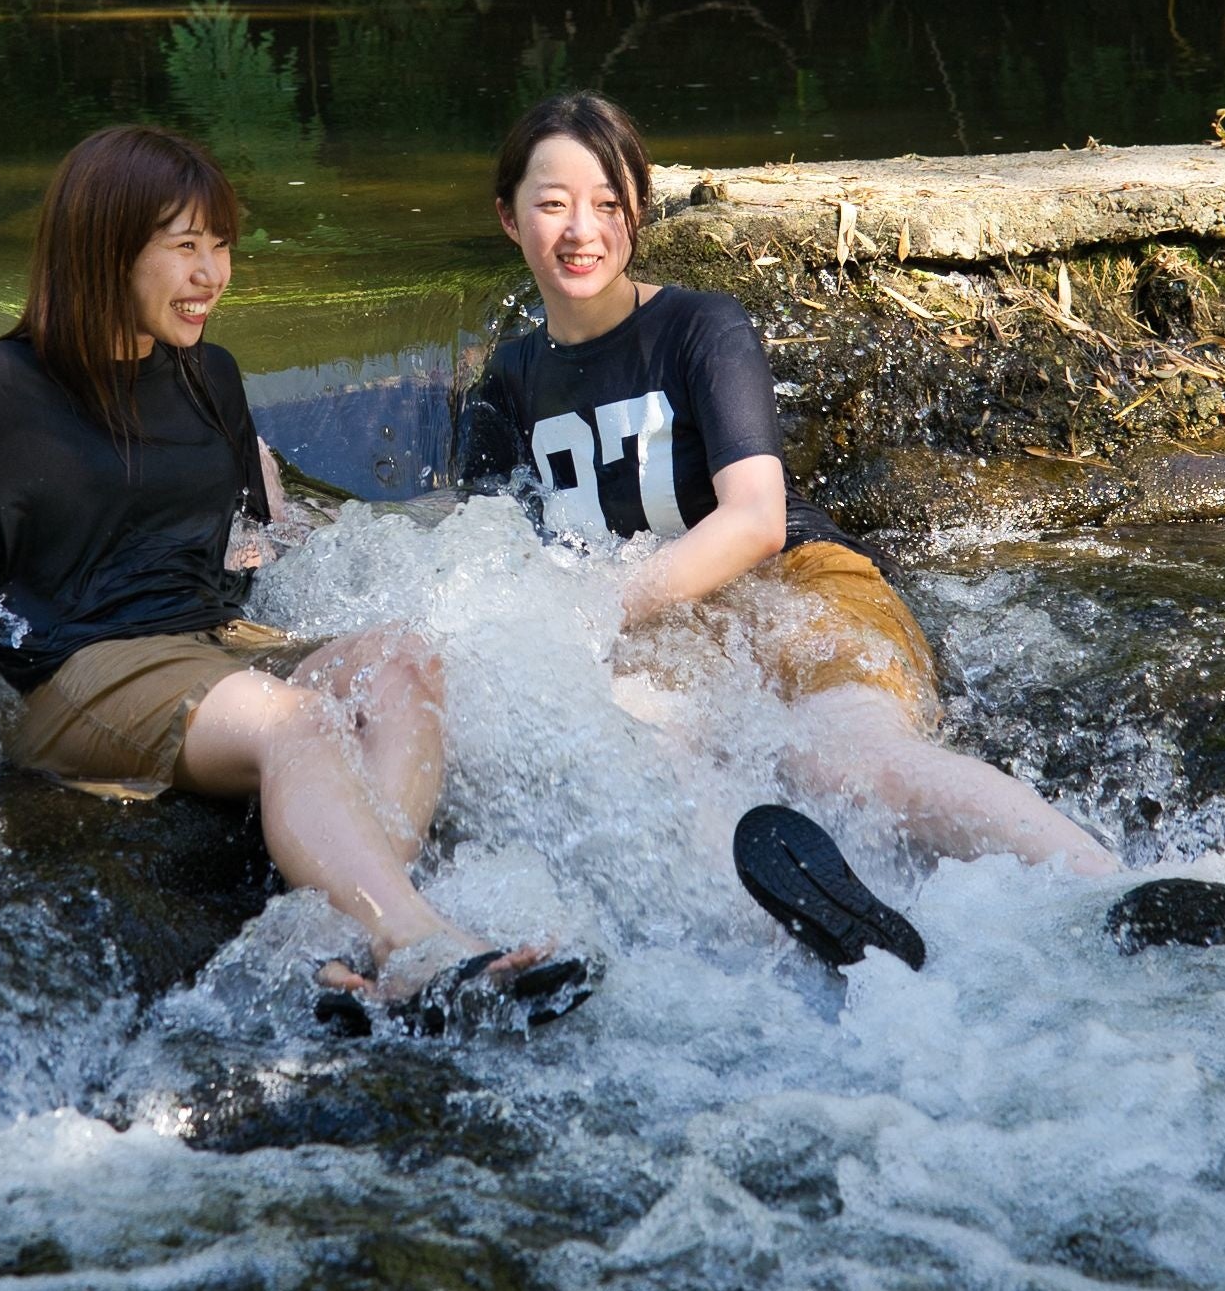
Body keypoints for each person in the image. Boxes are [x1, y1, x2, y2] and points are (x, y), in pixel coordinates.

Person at [0, 124, 586, 1031]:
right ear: (106, 249)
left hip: (210, 646)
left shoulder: (207, 375)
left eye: (220, 247)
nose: (212, 274)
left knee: (403, 661)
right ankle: (416, 944)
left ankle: (349, 931)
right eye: (185, 248)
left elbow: (264, 525)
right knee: (293, 717)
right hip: (79, 668)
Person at [460, 92, 1120, 878]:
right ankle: (774, 941)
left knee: (843, 758)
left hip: (802, 583)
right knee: (650, 759)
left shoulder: (700, 328)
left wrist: (595, 607)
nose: (582, 231)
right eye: (553, 204)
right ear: (508, 216)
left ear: (637, 212)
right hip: (665, 631)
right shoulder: (503, 387)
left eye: (608, 203)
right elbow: (488, 562)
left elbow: (755, 521)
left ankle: (1106, 885)